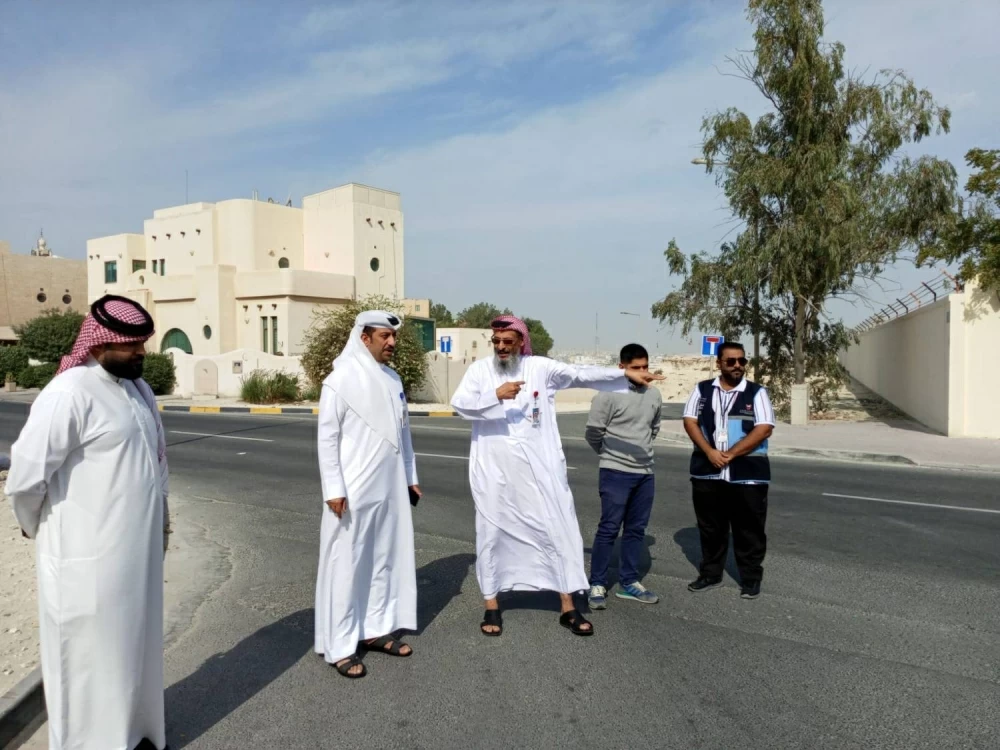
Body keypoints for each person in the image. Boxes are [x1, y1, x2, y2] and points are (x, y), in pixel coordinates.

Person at [6, 295, 171, 750]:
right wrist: (36, 526)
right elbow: (26, 476)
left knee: (131, 650)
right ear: (98, 345)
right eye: (131, 345)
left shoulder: (138, 391)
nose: (141, 352)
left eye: (143, 343)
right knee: (86, 660)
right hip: (86, 556)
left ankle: (133, 735)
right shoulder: (69, 392)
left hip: (135, 556)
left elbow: (155, 462)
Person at [450, 315, 664, 638]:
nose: (501, 347)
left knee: (558, 530)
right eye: (496, 342)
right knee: (492, 534)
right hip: (496, 473)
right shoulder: (480, 370)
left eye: (508, 341)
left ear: (521, 341)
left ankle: (568, 605)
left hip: (541, 470)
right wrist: (496, 394)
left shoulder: (540, 368)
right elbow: (460, 405)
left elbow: (580, 374)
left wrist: (623, 374)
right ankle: (491, 603)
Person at [314, 310, 421, 679]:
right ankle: (340, 645)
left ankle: (374, 629)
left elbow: (403, 433)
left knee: (383, 558)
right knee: (348, 563)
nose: (391, 342)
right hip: (353, 489)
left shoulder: (393, 379)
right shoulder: (340, 380)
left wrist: (410, 476)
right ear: (364, 338)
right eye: (384, 336)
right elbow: (327, 438)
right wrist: (334, 488)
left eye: (393, 336)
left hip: (389, 487)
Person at [682, 341, 774, 599]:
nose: (737, 366)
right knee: (711, 528)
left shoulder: (756, 392)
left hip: (748, 475)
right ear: (719, 363)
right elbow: (689, 421)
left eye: (741, 361)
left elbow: (764, 428)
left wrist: (731, 454)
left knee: (749, 530)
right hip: (707, 472)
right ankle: (710, 574)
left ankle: (750, 579)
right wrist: (709, 452)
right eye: (731, 361)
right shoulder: (701, 390)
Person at [585, 344, 663, 609]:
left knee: (636, 529)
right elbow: (593, 432)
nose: (642, 372)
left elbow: (653, 429)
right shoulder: (607, 395)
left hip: (645, 473)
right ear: (622, 368)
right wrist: (610, 455)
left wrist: (641, 453)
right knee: (609, 528)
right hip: (615, 472)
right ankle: (597, 583)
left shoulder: (654, 394)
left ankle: (629, 581)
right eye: (635, 368)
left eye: (645, 367)